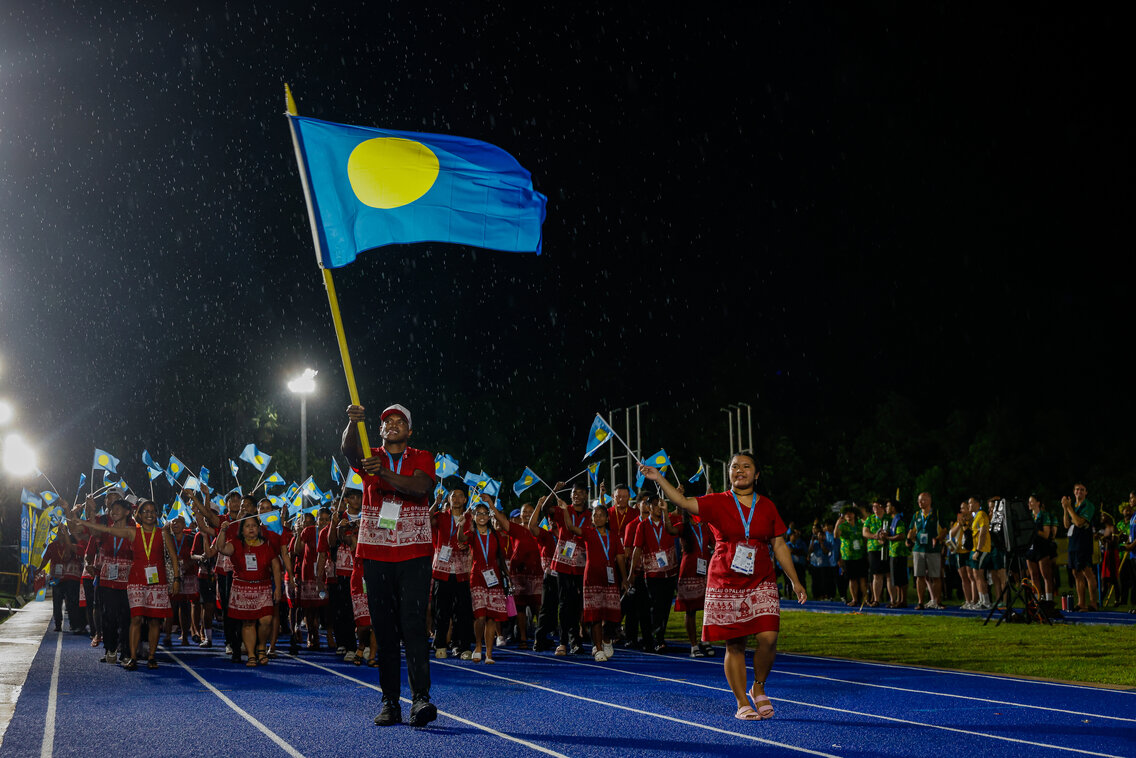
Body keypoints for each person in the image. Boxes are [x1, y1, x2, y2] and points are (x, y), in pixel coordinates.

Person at [640, 452, 806, 721]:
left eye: (746, 466)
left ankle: (758, 686)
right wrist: (659, 477)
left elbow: (778, 544)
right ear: (728, 473)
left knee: (768, 637)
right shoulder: (717, 501)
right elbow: (682, 501)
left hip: (761, 578)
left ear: (756, 474)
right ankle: (742, 701)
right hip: (726, 580)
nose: (740, 470)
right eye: (734, 466)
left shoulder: (767, 506)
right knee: (735, 644)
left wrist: (795, 581)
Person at [342, 402, 438, 727]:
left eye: (400, 421)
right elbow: (349, 450)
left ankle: (420, 698)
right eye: (387, 421)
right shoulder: (370, 454)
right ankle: (390, 702)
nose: (393, 424)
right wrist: (352, 423)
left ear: (409, 430)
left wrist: (381, 472)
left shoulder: (422, 457)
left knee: (413, 627)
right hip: (376, 552)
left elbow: (420, 487)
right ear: (380, 429)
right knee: (383, 631)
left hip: (414, 553)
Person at [75, 499, 181, 670]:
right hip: (136, 580)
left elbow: (174, 558)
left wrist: (176, 579)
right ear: (139, 514)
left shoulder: (163, 533)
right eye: (145, 511)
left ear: (156, 514)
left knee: (154, 621)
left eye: (152, 511)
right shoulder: (133, 532)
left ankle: (151, 656)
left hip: (157, 581)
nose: (149, 514)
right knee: (135, 618)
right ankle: (131, 657)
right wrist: (84, 522)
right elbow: (108, 530)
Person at [210, 515, 282, 666]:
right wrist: (222, 531)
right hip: (242, 588)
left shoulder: (266, 545)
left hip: (263, 588)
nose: (251, 529)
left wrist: (277, 588)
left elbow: (276, 566)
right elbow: (220, 548)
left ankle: (261, 647)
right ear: (241, 530)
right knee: (248, 623)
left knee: (266, 620)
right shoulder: (235, 544)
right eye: (247, 526)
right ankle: (251, 655)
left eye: (254, 525)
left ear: (258, 528)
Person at [561, 497, 626, 661]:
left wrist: (625, 578)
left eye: (601, 515)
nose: (598, 518)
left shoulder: (614, 536)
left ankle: (606, 639)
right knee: (595, 616)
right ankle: (598, 649)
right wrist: (565, 510)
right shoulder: (589, 532)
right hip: (591, 578)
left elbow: (620, 558)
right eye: (595, 515)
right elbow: (571, 528)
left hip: (610, 579)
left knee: (612, 616)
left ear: (607, 518)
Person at [629, 490, 682, 653]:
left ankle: (658, 637)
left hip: (670, 572)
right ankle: (656, 639)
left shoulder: (669, 520)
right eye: (655, 505)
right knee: (655, 606)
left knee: (665, 607)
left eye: (660, 504)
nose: (658, 507)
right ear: (648, 507)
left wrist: (678, 496)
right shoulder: (643, 525)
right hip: (652, 574)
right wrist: (631, 573)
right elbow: (637, 549)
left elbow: (680, 512)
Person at [542, 482, 590, 655]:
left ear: (586, 495)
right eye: (574, 492)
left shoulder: (590, 514)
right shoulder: (562, 509)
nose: (576, 495)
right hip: (562, 563)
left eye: (581, 492)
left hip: (581, 565)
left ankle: (575, 641)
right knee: (563, 603)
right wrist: (554, 490)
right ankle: (562, 642)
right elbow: (545, 508)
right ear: (570, 495)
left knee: (577, 604)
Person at [458, 501, 509, 663]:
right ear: (473, 516)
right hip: (477, 577)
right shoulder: (472, 534)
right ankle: (478, 646)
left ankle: (489, 653)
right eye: (478, 513)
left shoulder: (495, 535)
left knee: (491, 617)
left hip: (494, 578)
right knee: (480, 616)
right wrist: (461, 525)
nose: (482, 516)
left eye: (485, 513)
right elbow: (461, 539)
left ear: (489, 516)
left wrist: (507, 575)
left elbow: (500, 558)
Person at [430, 488, 474, 659]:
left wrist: (468, 544)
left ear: (465, 500)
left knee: (462, 612)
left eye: (460, 496)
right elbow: (425, 521)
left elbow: (476, 538)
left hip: (462, 571)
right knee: (441, 610)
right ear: (448, 500)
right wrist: (436, 503)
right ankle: (440, 644)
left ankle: (461, 646)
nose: (456, 498)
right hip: (442, 570)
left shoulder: (470, 518)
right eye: (453, 496)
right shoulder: (441, 516)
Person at [675, 506, 714, 657]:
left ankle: (706, 640)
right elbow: (670, 530)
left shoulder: (705, 526)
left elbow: (715, 544)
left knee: (707, 608)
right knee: (690, 610)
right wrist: (665, 511)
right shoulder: (683, 526)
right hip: (689, 571)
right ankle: (693, 645)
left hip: (705, 571)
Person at [504, 503, 543, 648]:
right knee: (520, 607)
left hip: (536, 572)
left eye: (530, 511)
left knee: (537, 606)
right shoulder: (516, 529)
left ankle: (540, 637)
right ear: (520, 515)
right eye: (524, 511)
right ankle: (523, 638)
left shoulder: (539, 530)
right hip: (519, 573)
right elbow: (502, 522)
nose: (527, 514)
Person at [1061, 484, 1099, 612]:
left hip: (1083, 544)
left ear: (1086, 492)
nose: (1079, 492)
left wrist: (1069, 507)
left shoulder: (1088, 505)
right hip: (1073, 543)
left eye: (1082, 490)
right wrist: (1065, 509)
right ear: (1074, 492)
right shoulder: (1073, 506)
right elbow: (1066, 524)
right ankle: (1081, 603)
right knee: (1076, 573)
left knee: (1087, 572)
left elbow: (1078, 522)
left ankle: (1093, 603)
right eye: (1077, 489)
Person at [908, 493, 943, 610]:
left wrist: (937, 539)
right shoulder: (916, 515)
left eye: (923, 500)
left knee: (935, 576)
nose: (920, 502)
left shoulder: (936, 514)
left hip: (933, 550)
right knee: (920, 576)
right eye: (919, 500)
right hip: (919, 549)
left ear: (929, 500)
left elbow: (944, 530)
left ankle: (937, 601)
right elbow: (911, 530)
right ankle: (920, 602)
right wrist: (909, 539)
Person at [1025, 494, 1059, 614]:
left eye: (1031, 501)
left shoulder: (1044, 515)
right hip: (1030, 548)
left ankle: (1049, 601)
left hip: (1042, 548)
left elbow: (1046, 534)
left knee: (1046, 575)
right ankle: (1037, 601)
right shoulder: (1028, 516)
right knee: (1033, 576)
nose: (1029, 504)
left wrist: (1034, 529)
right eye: (1029, 502)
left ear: (1038, 503)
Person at [835, 507, 868, 607]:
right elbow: (836, 535)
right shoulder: (843, 526)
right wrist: (838, 523)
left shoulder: (860, 524)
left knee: (863, 579)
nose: (849, 515)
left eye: (851, 513)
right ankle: (854, 599)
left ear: (854, 514)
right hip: (848, 556)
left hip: (860, 555)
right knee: (852, 579)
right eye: (846, 514)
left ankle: (866, 599)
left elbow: (865, 533)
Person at [882, 500, 909, 608]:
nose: (886, 508)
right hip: (893, 552)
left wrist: (888, 537)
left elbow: (901, 535)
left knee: (901, 578)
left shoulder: (899, 519)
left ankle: (902, 600)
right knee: (896, 578)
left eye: (888, 506)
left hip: (899, 552)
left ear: (893, 508)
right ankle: (898, 600)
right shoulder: (893, 520)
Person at [862, 501, 888, 607]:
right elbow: (865, 532)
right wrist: (875, 536)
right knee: (876, 574)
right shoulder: (870, 519)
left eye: (877, 506)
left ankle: (893, 600)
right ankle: (876, 599)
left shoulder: (888, 518)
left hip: (887, 549)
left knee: (888, 575)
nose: (875, 509)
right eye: (874, 507)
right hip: (873, 549)